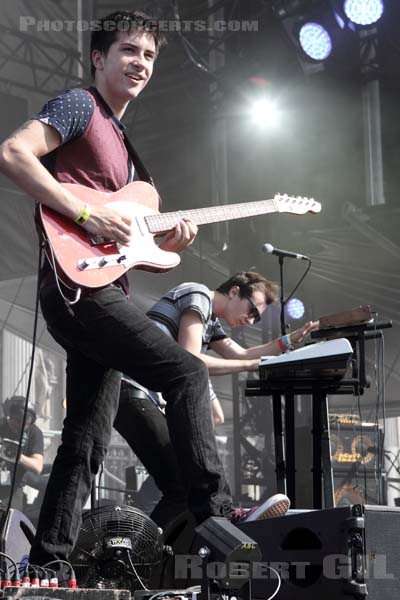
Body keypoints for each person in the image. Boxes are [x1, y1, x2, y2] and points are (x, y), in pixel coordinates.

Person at [0, 10, 278, 572]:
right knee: (187, 371)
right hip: (80, 294)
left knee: (86, 439)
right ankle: (217, 514)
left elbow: (122, 247)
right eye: (129, 51)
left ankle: (46, 565)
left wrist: (166, 238)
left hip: (100, 286)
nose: (141, 63)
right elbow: (13, 154)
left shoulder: (125, 149)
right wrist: (83, 211)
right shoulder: (80, 105)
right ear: (99, 58)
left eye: (149, 56)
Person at [115, 272, 318, 527]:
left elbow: (242, 353)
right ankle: (149, 548)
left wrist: (288, 341)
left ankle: (142, 552)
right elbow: (190, 358)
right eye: (252, 310)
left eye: (257, 318)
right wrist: (251, 365)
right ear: (234, 291)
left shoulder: (210, 321)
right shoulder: (198, 292)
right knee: (181, 482)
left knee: (181, 487)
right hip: (133, 390)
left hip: (140, 395)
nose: (252, 320)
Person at [0, 396, 44, 512]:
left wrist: (17, 456)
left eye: (24, 423)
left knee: (10, 520)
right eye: (16, 421)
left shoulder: (34, 433)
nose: (19, 426)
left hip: (14, 486)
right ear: (9, 417)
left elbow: (37, 466)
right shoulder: (1, 425)